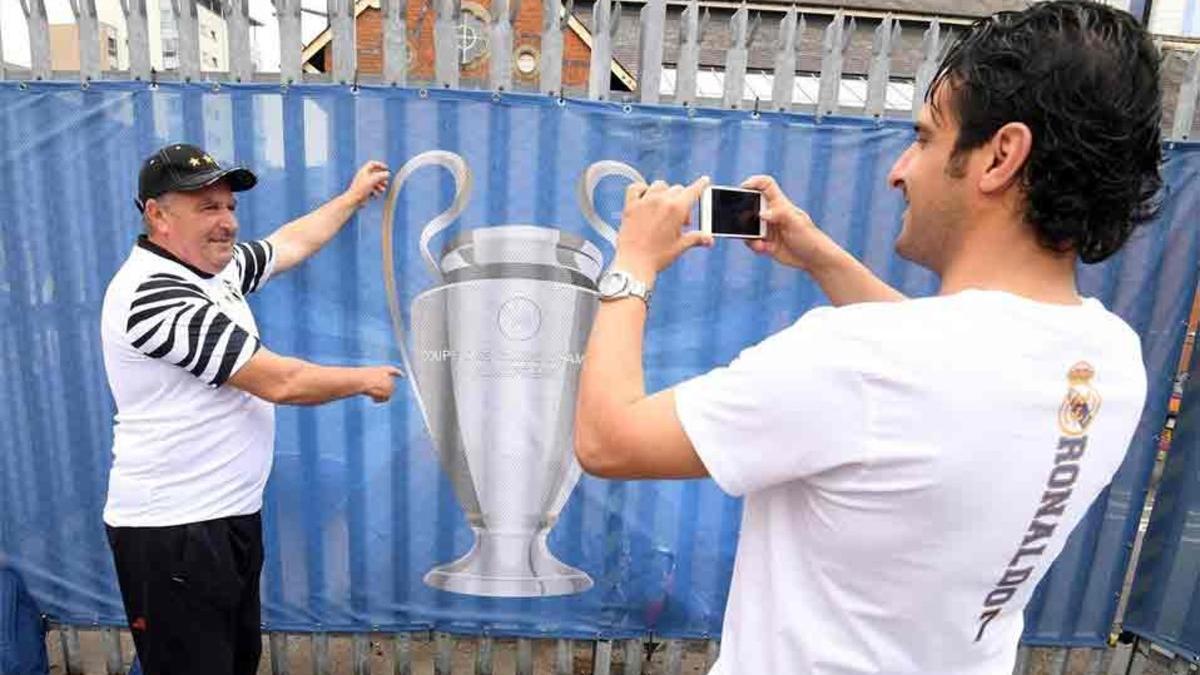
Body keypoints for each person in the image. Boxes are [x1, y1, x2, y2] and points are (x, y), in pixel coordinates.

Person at [574, 2, 1161, 673]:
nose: (899, 170)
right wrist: (823, 256)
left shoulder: (856, 361)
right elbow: (943, 374)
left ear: (1001, 156)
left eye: (924, 138)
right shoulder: (1113, 361)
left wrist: (632, 263)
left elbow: (607, 438)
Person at [99, 143, 402, 675]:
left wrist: (351, 198)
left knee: (235, 661)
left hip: (228, 517)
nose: (226, 222)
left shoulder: (213, 272)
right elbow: (279, 382)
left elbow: (288, 244)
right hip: (174, 532)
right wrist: (365, 380)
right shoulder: (153, 295)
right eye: (207, 208)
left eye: (229, 207)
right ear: (157, 215)